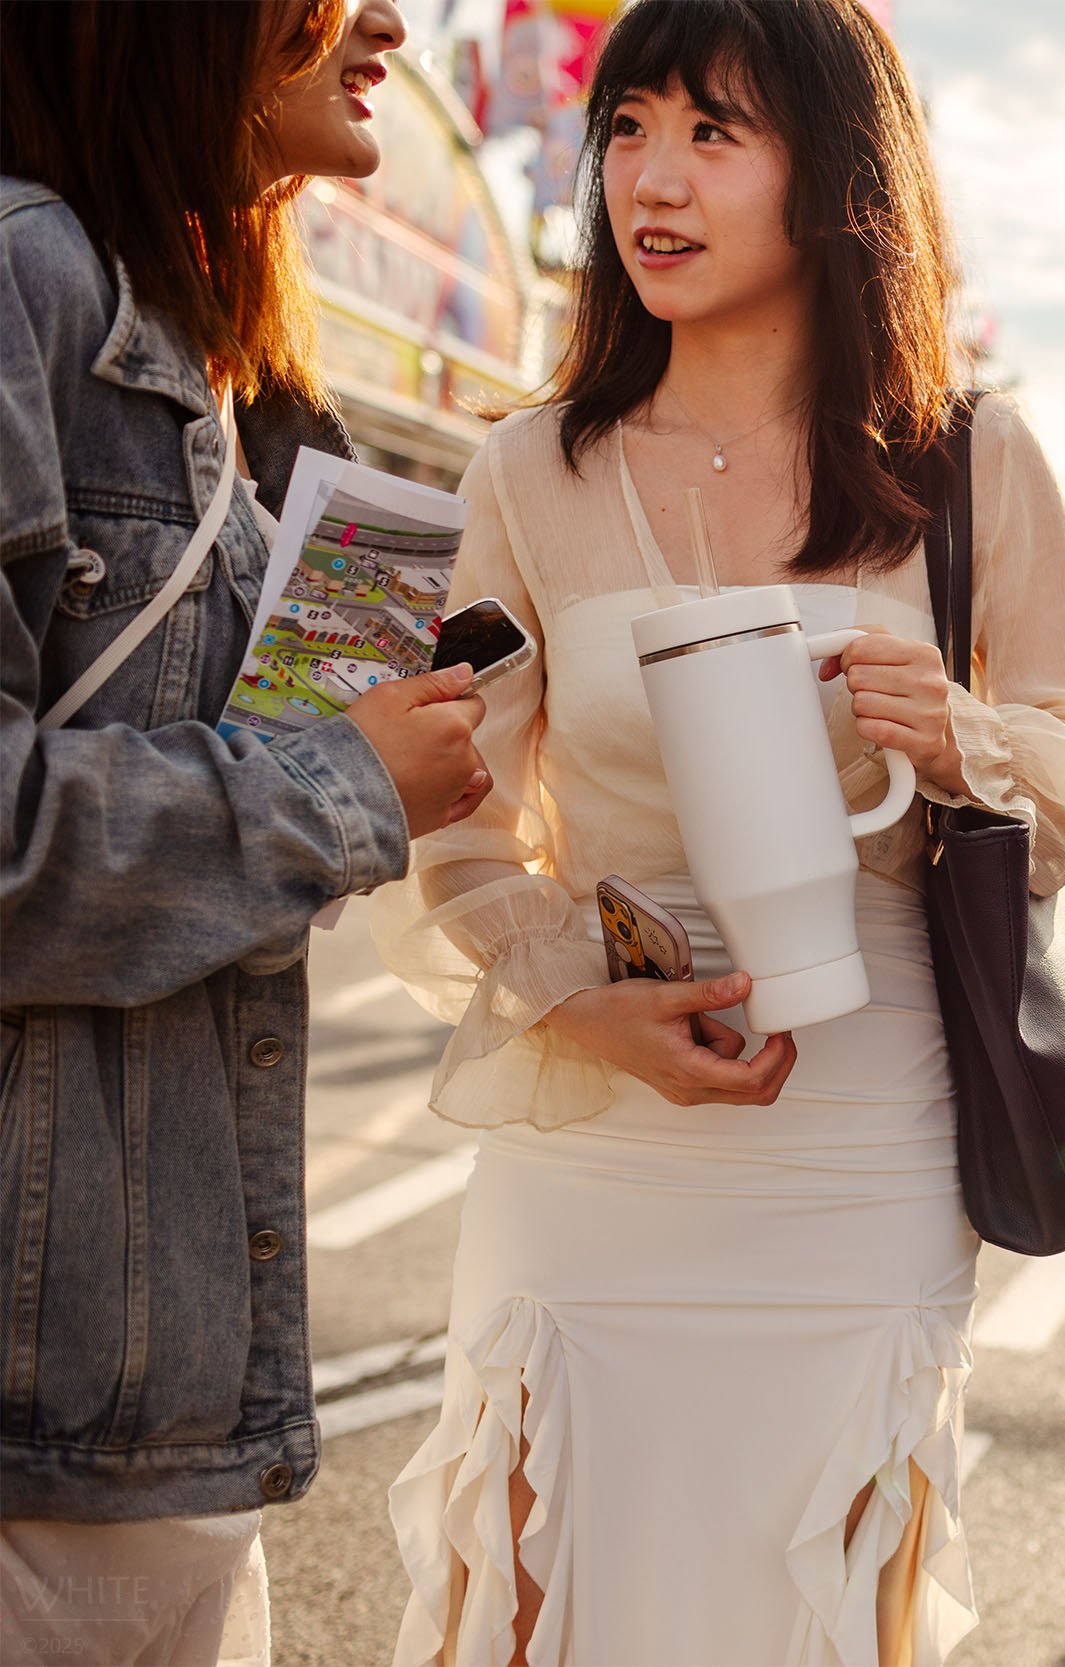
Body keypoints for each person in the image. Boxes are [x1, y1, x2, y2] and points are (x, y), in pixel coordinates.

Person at [369, 3, 1065, 1661]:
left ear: (837, 173)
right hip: (597, 1121)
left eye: (716, 131)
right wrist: (573, 994)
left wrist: (966, 738)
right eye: (629, 126)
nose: (654, 175)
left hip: (867, 1119)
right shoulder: (527, 467)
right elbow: (462, 821)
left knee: (825, 1574)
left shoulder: (974, 457)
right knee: (533, 1554)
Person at [0, 5, 493, 1663]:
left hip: (155, 1379)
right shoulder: (20, 275)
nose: (393, 22)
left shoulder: (238, 372)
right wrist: (339, 784)